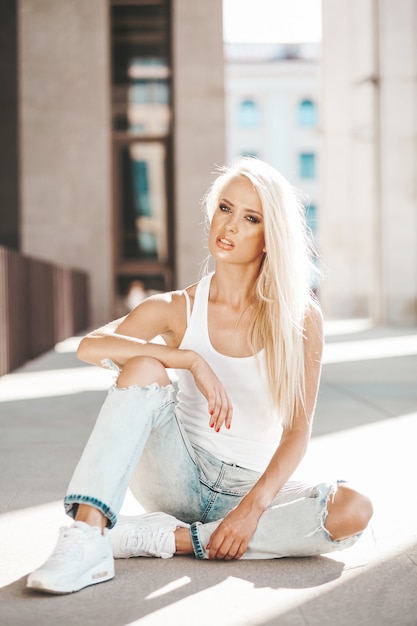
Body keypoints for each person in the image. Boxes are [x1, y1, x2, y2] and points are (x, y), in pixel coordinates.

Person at [27, 157, 373, 594]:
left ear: (269, 237)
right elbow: (90, 347)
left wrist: (252, 509)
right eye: (225, 209)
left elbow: (297, 433)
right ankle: (87, 536)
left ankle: (163, 538)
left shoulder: (300, 318)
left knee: (352, 510)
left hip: (249, 486)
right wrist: (186, 358)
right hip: (176, 475)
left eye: (250, 218)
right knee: (145, 366)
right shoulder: (175, 308)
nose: (229, 226)